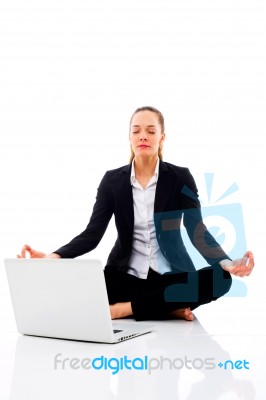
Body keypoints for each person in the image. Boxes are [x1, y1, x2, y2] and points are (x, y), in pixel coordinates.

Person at [18, 106, 254, 321]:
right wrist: (54, 256)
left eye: (151, 131)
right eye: (137, 131)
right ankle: (164, 308)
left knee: (221, 280)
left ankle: (124, 309)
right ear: (129, 137)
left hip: (170, 278)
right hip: (123, 278)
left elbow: (196, 230)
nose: (143, 136)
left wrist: (225, 262)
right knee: (78, 288)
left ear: (162, 137)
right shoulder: (112, 180)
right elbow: (92, 234)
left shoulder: (181, 177)